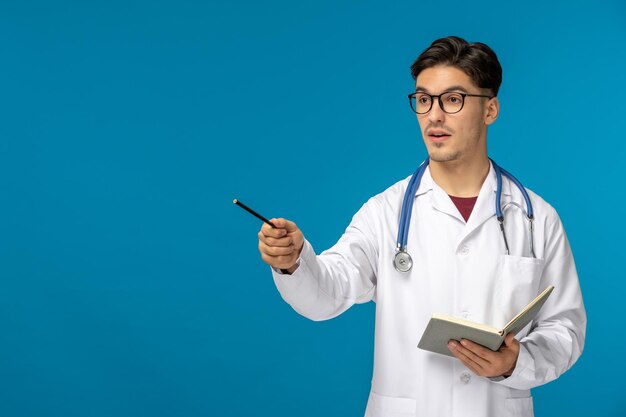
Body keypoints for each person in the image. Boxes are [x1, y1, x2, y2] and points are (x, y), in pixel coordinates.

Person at [257, 36, 586, 417]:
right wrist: (295, 261)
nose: (434, 116)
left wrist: (516, 363)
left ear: (490, 109)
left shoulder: (537, 218)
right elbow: (327, 293)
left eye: (452, 99)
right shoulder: (385, 213)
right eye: (424, 99)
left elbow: (566, 329)